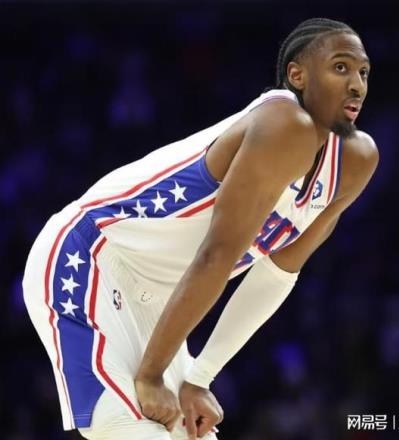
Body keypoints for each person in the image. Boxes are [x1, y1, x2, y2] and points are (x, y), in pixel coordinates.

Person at [22, 17, 378, 439]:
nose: (356, 85)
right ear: (297, 75)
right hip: (91, 257)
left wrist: (199, 378)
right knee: (120, 426)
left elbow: (276, 275)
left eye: (363, 72)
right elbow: (217, 254)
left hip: (160, 305)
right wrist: (151, 375)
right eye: (340, 67)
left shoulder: (356, 160)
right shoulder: (284, 121)